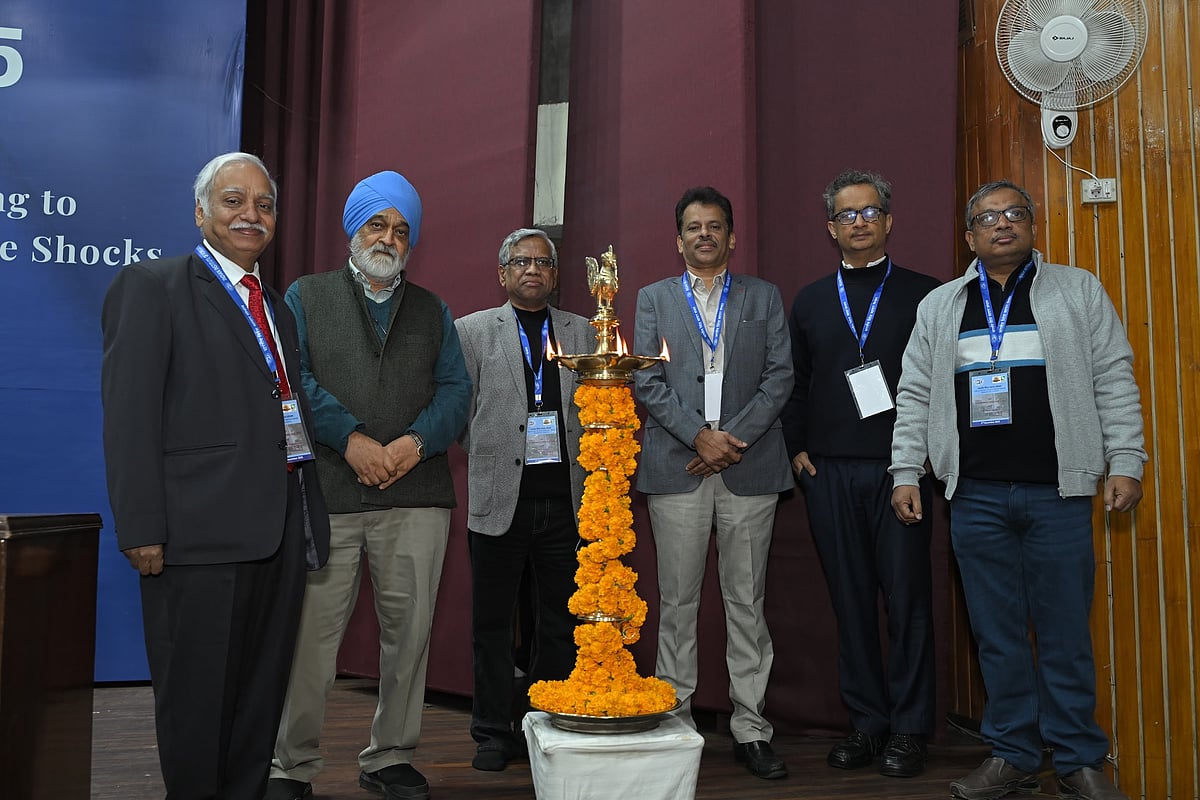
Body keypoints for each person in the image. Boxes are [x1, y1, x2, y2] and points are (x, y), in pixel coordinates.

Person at [890, 180, 1146, 800]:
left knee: (1064, 635)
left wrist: (1126, 459)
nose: (1001, 224)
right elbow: (915, 393)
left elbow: (1114, 376)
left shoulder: (1077, 290)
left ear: (1032, 226)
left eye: (1013, 214)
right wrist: (905, 471)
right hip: (974, 497)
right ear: (969, 236)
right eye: (987, 218)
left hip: (1059, 494)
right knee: (997, 637)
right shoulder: (941, 306)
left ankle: (1079, 760)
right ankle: (1013, 754)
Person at [101, 151, 331, 800]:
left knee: (258, 705)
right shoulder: (153, 286)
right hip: (195, 538)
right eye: (234, 201)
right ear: (200, 211)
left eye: (265, 204)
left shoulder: (277, 307)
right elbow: (129, 415)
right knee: (196, 708)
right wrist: (141, 527)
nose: (251, 214)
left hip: (279, 531)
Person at [266, 171, 471, 800]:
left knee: (409, 637)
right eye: (377, 225)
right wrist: (352, 440)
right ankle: (290, 765)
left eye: (401, 230)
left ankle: (390, 756)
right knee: (311, 640)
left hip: (416, 494)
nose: (388, 239)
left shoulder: (433, 309)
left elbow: (456, 393)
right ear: (353, 231)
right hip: (330, 490)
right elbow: (293, 380)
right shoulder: (306, 296)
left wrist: (413, 445)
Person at [779, 169, 940, 778]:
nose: (859, 222)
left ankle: (909, 729)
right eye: (847, 214)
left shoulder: (927, 296)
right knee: (849, 603)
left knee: (907, 603)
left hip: (902, 472)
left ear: (889, 220)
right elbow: (796, 383)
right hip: (830, 473)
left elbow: (940, 384)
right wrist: (797, 448)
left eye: (870, 211)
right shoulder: (811, 300)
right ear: (831, 228)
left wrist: (923, 458)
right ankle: (868, 724)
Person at [633, 186, 794, 780]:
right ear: (678, 241)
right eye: (693, 227)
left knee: (746, 602)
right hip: (678, 467)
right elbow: (646, 380)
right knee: (676, 602)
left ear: (731, 236)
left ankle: (751, 727)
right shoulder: (653, 298)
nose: (705, 235)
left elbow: (780, 377)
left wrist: (730, 441)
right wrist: (698, 436)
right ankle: (675, 720)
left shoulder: (762, 296)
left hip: (749, 468)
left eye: (715, 226)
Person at [453, 228, 593, 771]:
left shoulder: (584, 331)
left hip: (565, 503)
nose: (532, 269)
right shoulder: (471, 331)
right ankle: (492, 731)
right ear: (502, 273)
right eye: (521, 261)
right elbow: (459, 412)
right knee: (492, 624)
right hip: (498, 501)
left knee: (558, 622)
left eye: (543, 262)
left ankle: (546, 722)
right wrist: (493, 451)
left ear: (555, 275)